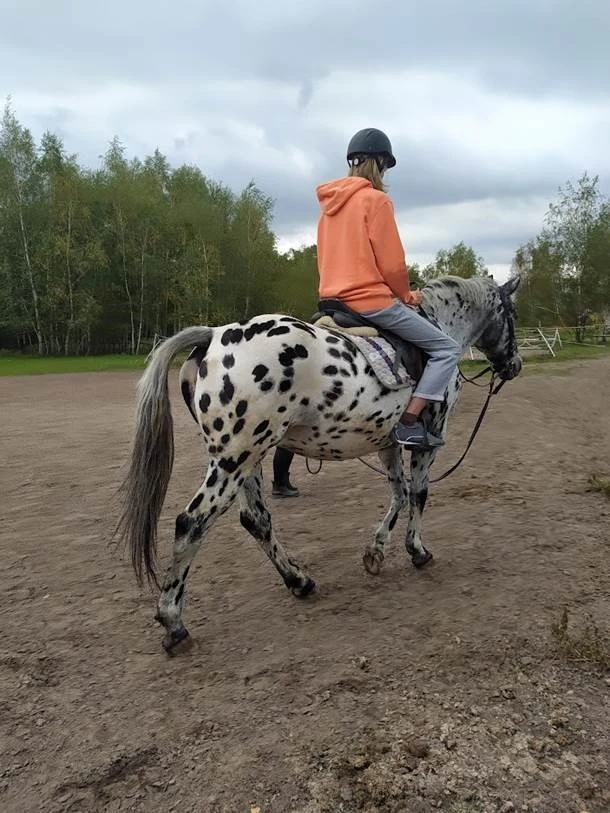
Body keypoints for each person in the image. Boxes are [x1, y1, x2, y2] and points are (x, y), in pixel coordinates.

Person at [315, 127, 461, 450]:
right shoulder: (376, 201)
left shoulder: (327, 210)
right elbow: (393, 266)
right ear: (380, 164)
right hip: (370, 303)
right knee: (446, 348)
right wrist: (406, 296)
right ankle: (409, 423)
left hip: (331, 303)